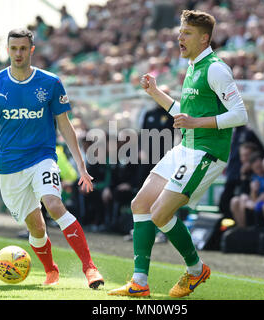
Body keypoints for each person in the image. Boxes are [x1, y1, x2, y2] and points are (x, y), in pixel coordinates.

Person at [109, 10, 248, 298]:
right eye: (180, 32)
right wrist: (155, 93)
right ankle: (139, 283)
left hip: (207, 153)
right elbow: (182, 115)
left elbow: (240, 115)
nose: (179, 37)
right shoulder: (193, 67)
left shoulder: (216, 69)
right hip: (185, 148)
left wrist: (196, 123)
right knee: (140, 204)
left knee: (160, 213)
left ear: (204, 38)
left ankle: (196, 271)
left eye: (186, 33)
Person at [0, 28, 104, 289]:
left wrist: (80, 163)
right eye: (14, 48)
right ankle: (51, 270)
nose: (18, 53)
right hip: (9, 166)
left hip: (43, 157)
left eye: (23, 48)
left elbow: (65, 125)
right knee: (36, 228)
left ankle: (90, 268)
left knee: (54, 205)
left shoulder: (50, 82)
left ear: (31, 50)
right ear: (8, 50)